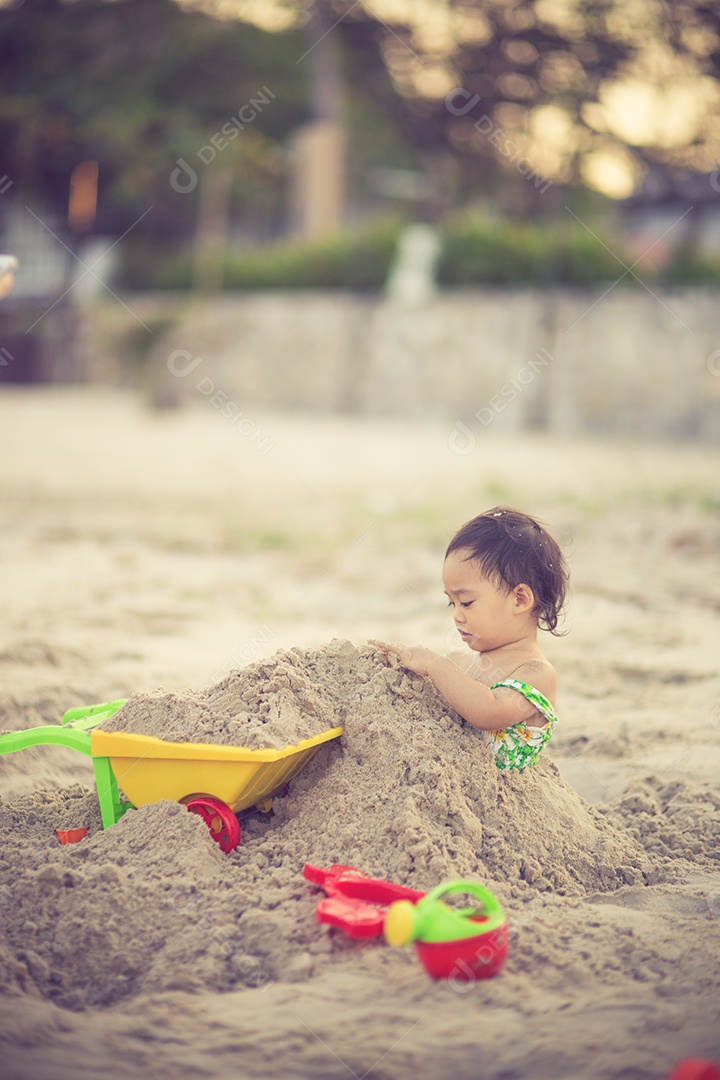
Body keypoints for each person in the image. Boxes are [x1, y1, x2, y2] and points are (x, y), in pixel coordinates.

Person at [374, 506, 568, 770]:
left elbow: (488, 712)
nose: (456, 616)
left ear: (520, 599)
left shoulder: (536, 673)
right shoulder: (460, 662)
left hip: (492, 800)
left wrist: (436, 665)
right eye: (450, 603)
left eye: (466, 602)